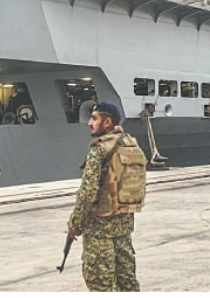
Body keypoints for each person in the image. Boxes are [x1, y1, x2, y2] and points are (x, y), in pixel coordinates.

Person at [67, 101, 144, 292]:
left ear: (107, 122)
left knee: (100, 283)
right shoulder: (130, 144)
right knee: (127, 282)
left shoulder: (100, 149)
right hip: (124, 225)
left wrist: (74, 224)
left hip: (99, 229)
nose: (89, 123)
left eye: (94, 118)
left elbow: (87, 192)